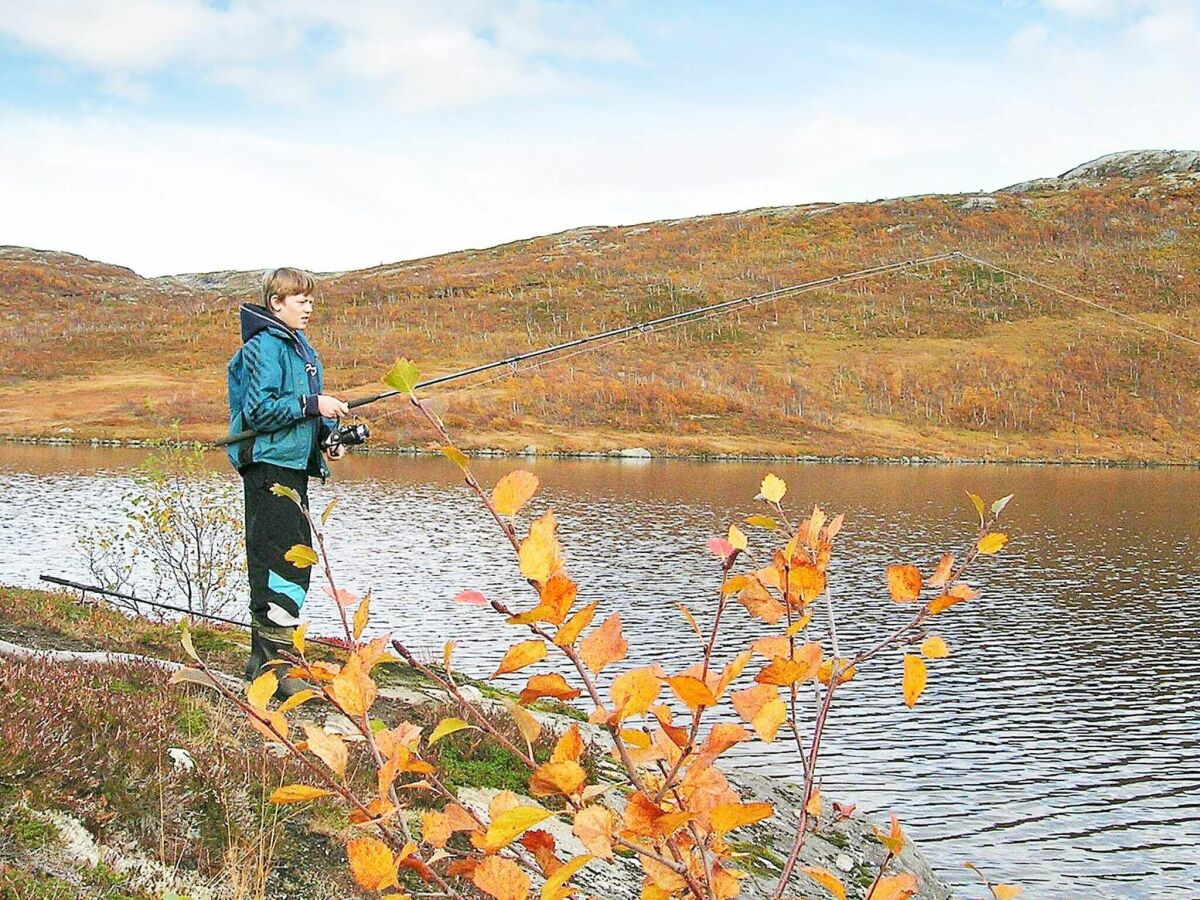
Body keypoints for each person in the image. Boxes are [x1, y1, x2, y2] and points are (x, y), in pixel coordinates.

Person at [225, 267, 350, 696]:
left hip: (293, 466)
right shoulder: (263, 347)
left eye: (311, 300)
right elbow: (260, 411)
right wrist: (313, 402)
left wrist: (326, 441)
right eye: (300, 300)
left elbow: (302, 417)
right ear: (276, 303)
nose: (309, 307)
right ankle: (276, 667)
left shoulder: (303, 351)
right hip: (267, 467)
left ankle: (264, 662)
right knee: (280, 557)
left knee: (292, 557)